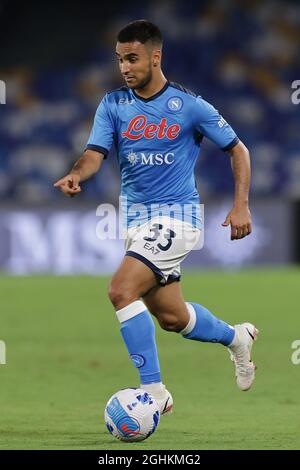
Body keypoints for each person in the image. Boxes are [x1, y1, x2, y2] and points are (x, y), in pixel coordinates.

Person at [54, 20, 258, 416]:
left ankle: (155, 391)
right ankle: (237, 338)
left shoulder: (190, 106)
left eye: (132, 58)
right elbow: (95, 154)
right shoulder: (112, 105)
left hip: (178, 218)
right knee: (171, 317)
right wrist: (78, 173)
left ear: (155, 56)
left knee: (120, 290)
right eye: (120, 60)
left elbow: (239, 150)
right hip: (135, 223)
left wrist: (241, 205)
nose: (125, 68)